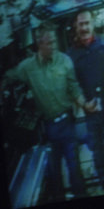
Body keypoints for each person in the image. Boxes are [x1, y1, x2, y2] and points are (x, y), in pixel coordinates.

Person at [2, 23, 91, 201]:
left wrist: (85, 104)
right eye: (49, 42)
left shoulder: (65, 61)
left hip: (67, 123)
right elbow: (8, 77)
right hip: (49, 127)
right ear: (39, 44)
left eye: (55, 42)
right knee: (54, 170)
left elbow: (74, 88)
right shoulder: (27, 67)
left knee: (74, 166)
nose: (54, 46)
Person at [67, 9, 104, 193]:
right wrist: (83, 103)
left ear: (92, 24)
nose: (84, 27)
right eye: (80, 24)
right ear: (76, 26)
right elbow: (72, 83)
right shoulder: (71, 55)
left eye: (86, 23)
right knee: (98, 152)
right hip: (90, 112)